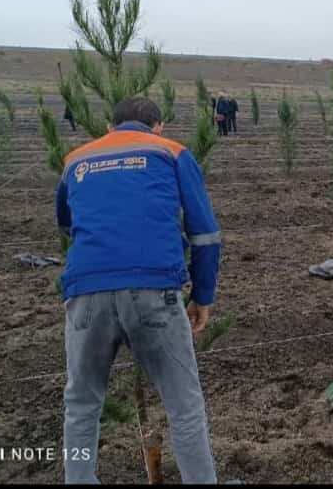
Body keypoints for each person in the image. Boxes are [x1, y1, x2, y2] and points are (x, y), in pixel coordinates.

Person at [56, 97, 220, 483]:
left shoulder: (75, 160)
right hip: (154, 290)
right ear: (158, 126)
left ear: (111, 127)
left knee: (81, 404)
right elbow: (206, 235)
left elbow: (66, 225)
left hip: (85, 292)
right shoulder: (172, 152)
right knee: (184, 407)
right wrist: (203, 296)